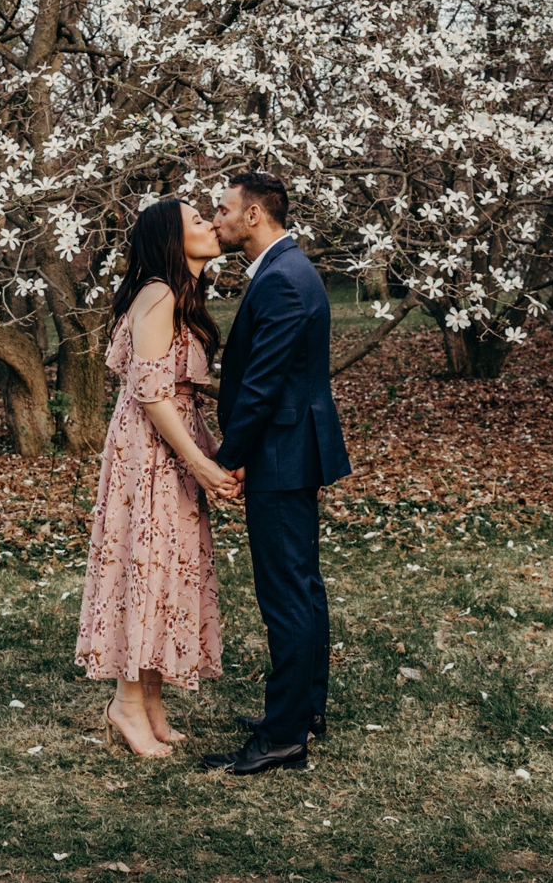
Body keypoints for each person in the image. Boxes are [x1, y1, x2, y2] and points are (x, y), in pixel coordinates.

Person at [73, 197, 243, 757]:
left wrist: (216, 450)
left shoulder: (179, 295)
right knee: (142, 565)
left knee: (165, 566)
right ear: (172, 239)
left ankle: (149, 700)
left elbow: (181, 393)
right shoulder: (159, 292)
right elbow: (149, 392)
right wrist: (200, 462)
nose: (212, 225)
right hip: (148, 454)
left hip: (170, 444)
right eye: (198, 221)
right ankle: (124, 703)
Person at [202, 169, 351, 775]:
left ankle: (286, 736)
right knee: (303, 587)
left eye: (224, 209)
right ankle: (302, 709)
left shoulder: (285, 279)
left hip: (282, 453)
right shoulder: (283, 271)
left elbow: (261, 386)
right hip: (290, 447)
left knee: (286, 595)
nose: (217, 219)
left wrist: (226, 458)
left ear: (255, 215)